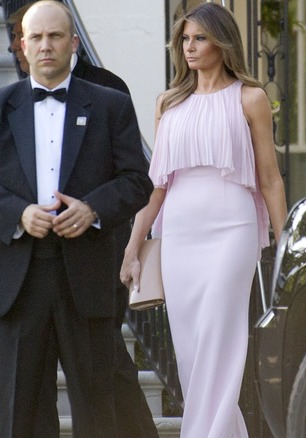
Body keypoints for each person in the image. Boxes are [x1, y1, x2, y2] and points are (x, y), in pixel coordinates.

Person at [120, 3, 287, 436]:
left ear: (222, 42)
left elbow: (269, 179)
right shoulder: (168, 103)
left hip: (232, 230)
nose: (189, 48)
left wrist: (288, 242)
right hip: (179, 235)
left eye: (199, 38)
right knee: (192, 352)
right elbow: (156, 186)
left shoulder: (251, 98)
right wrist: (134, 245)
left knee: (220, 341)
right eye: (185, 40)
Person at [0, 1, 153, 436]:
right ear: (23, 46)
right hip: (19, 279)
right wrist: (18, 213)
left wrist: (93, 209)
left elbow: (136, 181)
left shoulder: (111, 104)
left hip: (87, 278)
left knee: (97, 411)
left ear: (73, 42)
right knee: (19, 416)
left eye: (55, 36)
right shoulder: (1, 107)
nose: (45, 46)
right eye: (36, 38)